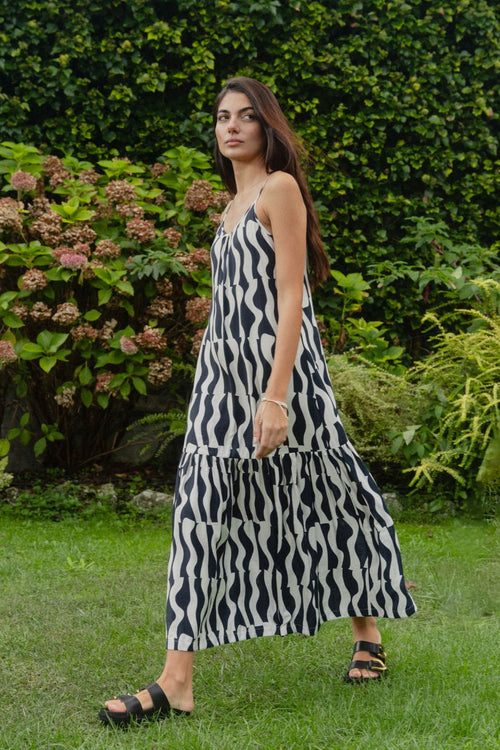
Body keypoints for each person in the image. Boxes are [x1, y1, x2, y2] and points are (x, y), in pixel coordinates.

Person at [98, 76, 416, 727]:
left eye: (246, 116)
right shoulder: (231, 202)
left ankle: (369, 635)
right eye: (222, 116)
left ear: (268, 127)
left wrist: (276, 397)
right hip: (222, 381)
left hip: (285, 378)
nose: (232, 126)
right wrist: (214, 368)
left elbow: (292, 295)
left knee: (329, 498)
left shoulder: (279, 188)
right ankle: (175, 682)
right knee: (197, 514)